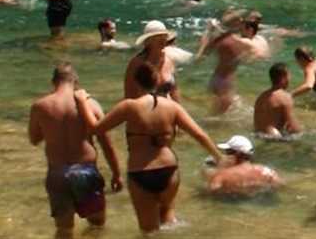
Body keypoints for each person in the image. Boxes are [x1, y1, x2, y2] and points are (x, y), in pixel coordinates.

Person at [89, 61, 223, 233]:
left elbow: (96, 129)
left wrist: (83, 101)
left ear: (136, 82)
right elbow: (199, 135)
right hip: (169, 169)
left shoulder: (129, 106)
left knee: (149, 231)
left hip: (141, 171)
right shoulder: (172, 106)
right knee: (167, 220)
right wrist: (219, 157)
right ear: (156, 82)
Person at [28, 63, 122, 237]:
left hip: (57, 174)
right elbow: (106, 142)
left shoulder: (40, 106)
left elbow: (34, 139)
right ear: (75, 82)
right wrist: (117, 173)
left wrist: (51, 128)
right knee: (97, 226)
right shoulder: (90, 104)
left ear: (53, 82)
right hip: (85, 172)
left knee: (64, 230)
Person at [208, 135, 282, 197]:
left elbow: (211, 193)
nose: (225, 156)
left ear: (237, 154)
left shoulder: (221, 176)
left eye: (227, 152)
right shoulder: (268, 172)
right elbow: (279, 186)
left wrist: (219, 169)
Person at [124, 22, 180, 102]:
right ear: (148, 41)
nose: (162, 39)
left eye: (164, 36)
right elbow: (129, 96)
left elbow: (174, 92)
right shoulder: (137, 64)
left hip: (168, 110)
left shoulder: (169, 60)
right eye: (158, 36)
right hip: (145, 110)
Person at [253, 64, 300, 139]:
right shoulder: (285, 97)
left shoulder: (261, 97)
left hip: (257, 135)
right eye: (288, 76)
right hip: (274, 137)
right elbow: (294, 127)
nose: (290, 79)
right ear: (283, 78)